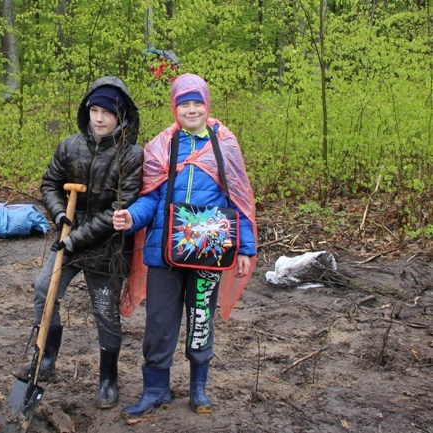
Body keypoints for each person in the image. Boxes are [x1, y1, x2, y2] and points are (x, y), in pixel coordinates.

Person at [112, 73, 257, 418]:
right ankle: (155, 390)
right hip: (164, 253)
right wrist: (132, 217)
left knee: (200, 320)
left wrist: (246, 249)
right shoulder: (161, 146)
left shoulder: (225, 146)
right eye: (184, 104)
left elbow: (239, 200)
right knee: (159, 323)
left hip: (210, 253)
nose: (191, 110)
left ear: (207, 106)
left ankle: (198, 389)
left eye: (197, 103)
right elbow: (150, 199)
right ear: (174, 108)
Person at [14, 76, 143, 409]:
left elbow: (120, 207)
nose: (99, 118)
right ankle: (45, 358)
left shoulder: (131, 156)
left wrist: (75, 240)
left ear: (122, 116)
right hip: (68, 236)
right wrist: (60, 217)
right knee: (44, 288)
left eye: (107, 113)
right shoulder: (69, 146)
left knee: (104, 311)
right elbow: (50, 184)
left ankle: (108, 380)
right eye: (94, 110)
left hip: (107, 247)